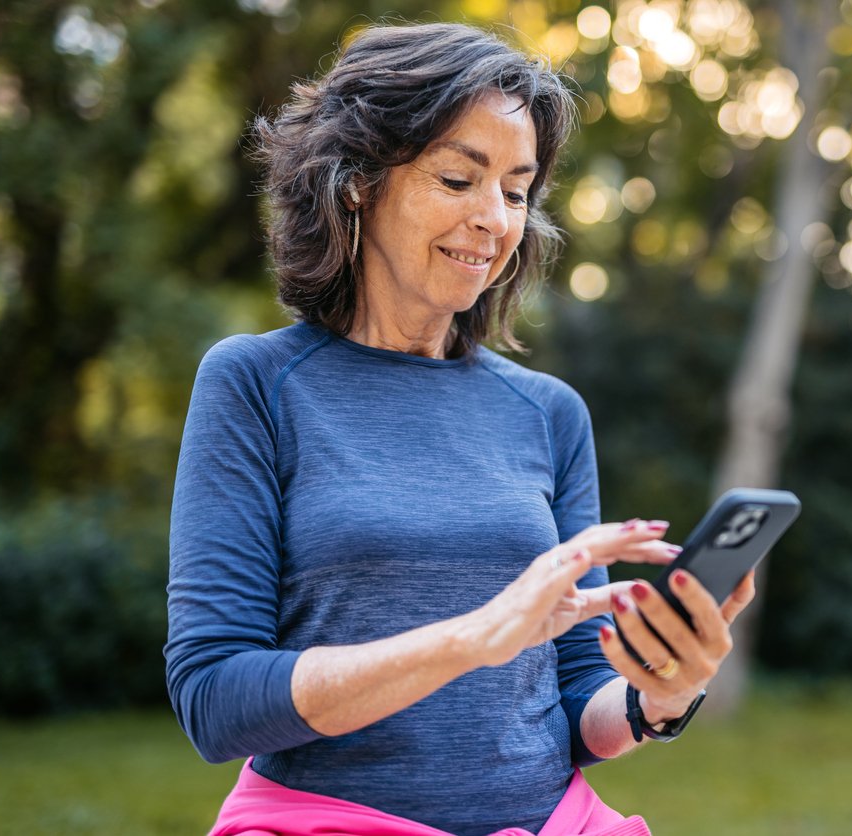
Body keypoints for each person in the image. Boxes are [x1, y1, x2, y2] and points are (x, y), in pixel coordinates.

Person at [165, 21, 756, 836]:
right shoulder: (256, 384)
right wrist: (473, 638)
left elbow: (579, 702)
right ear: (356, 184)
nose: (493, 220)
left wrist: (660, 696)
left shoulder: (548, 413)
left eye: (516, 191)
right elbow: (215, 697)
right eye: (458, 178)